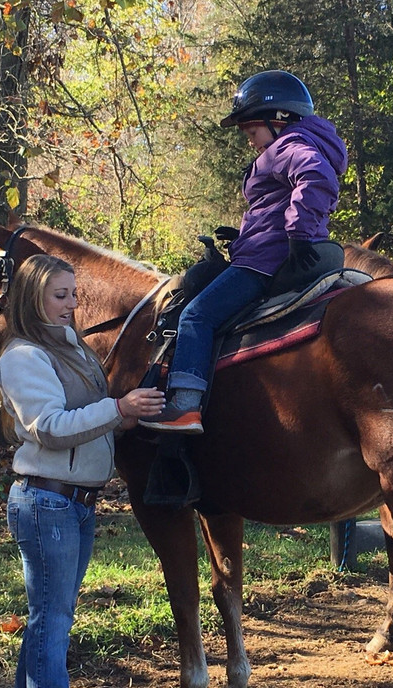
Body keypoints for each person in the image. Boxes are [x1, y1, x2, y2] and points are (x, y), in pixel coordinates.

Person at [0, 254, 165, 688]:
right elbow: (47, 426)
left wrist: (126, 418)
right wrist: (118, 408)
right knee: (51, 621)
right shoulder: (23, 356)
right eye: (60, 295)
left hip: (74, 504)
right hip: (47, 502)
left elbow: (84, 419)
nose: (72, 304)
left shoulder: (70, 347)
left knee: (48, 619)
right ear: (33, 298)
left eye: (73, 294)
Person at [141, 69, 348, 435]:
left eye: (252, 132)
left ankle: (185, 405)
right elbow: (282, 202)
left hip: (263, 262)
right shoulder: (307, 141)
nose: (250, 142)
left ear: (279, 119)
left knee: (195, 316)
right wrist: (242, 236)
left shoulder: (288, 145)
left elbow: (314, 177)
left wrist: (296, 233)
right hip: (267, 250)